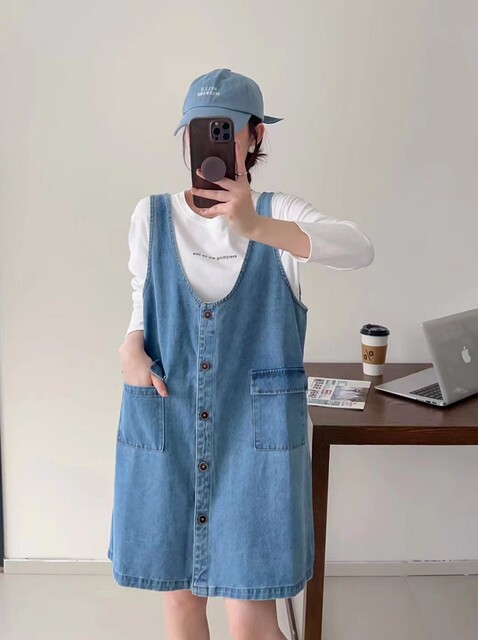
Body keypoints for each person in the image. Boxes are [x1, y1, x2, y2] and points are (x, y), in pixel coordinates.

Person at [108, 68, 374, 640]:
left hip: (254, 440)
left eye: (224, 129)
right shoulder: (151, 216)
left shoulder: (280, 212)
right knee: (181, 600)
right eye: (198, 130)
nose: (210, 143)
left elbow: (359, 249)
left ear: (255, 136)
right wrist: (130, 346)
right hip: (171, 417)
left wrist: (254, 224)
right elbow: (141, 300)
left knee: (250, 616)